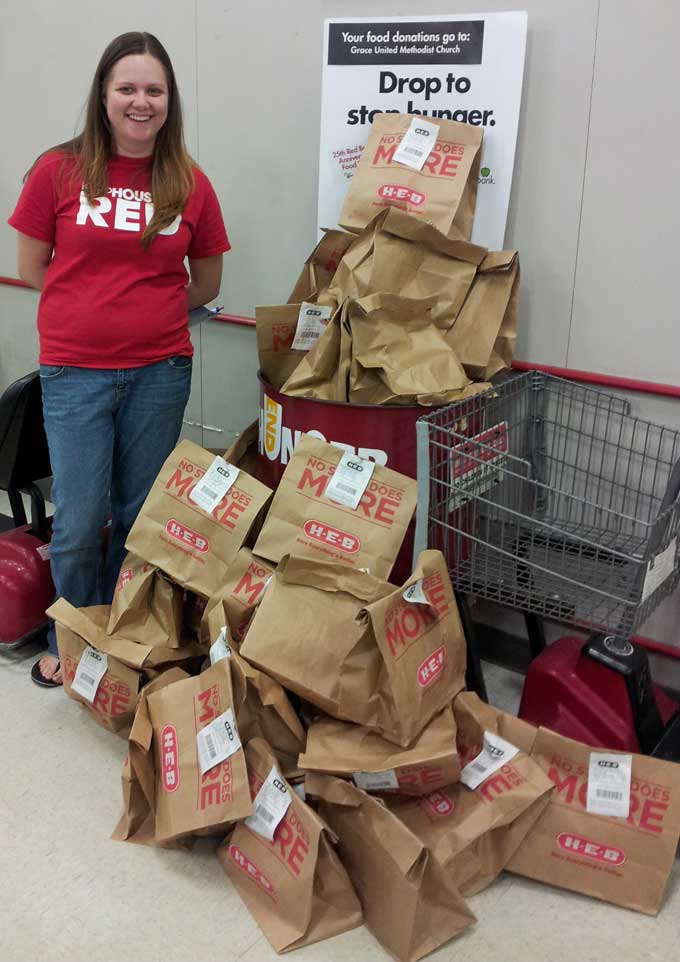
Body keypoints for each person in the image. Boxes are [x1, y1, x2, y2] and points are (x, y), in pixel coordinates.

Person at [8, 31, 230, 687]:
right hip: (75, 374)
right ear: (103, 96)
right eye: (127, 88)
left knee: (139, 514)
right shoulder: (59, 170)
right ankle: (72, 638)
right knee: (78, 517)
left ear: (170, 101)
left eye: (154, 90)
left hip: (159, 373)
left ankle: (129, 632)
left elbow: (208, 283)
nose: (141, 101)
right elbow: (31, 269)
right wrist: (94, 311)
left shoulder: (189, 183)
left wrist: (145, 312)